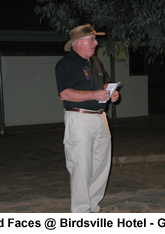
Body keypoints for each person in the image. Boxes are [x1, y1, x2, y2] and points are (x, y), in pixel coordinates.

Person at [55, 24, 119, 213]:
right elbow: (65, 94)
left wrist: (111, 94)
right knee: (81, 166)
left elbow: (104, 84)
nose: (96, 43)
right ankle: (81, 213)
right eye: (92, 39)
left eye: (94, 39)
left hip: (101, 119)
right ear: (79, 42)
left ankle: (93, 207)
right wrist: (94, 95)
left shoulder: (96, 62)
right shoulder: (65, 64)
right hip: (79, 119)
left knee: (101, 165)